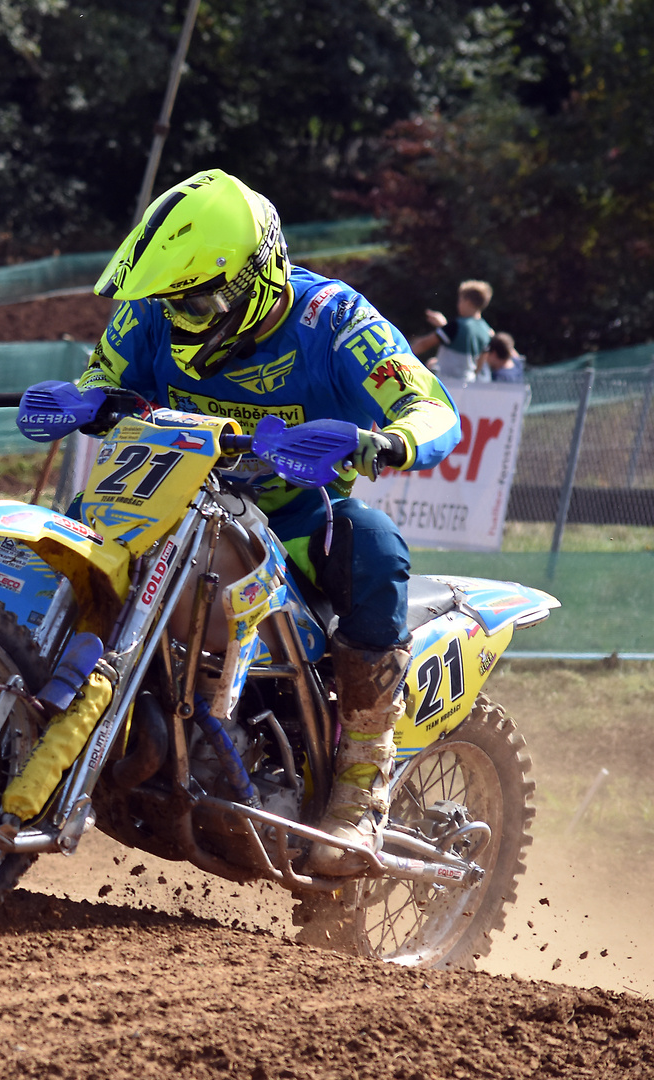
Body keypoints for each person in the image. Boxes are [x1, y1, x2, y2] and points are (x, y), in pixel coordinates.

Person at [23, 168, 462, 875]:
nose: (182, 316)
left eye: (198, 301)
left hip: (292, 519)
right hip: (162, 498)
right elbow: (99, 383)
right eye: (173, 302)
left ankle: (362, 784)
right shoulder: (150, 311)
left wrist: (384, 440)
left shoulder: (334, 322)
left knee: (377, 549)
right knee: (69, 532)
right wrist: (78, 402)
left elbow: (431, 404)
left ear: (259, 276)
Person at [409, 280, 494, 384]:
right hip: (468, 383)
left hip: (446, 382)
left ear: (467, 302)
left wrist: (404, 354)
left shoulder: (457, 325)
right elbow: (481, 362)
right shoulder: (487, 330)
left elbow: (424, 344)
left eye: (460, 300)